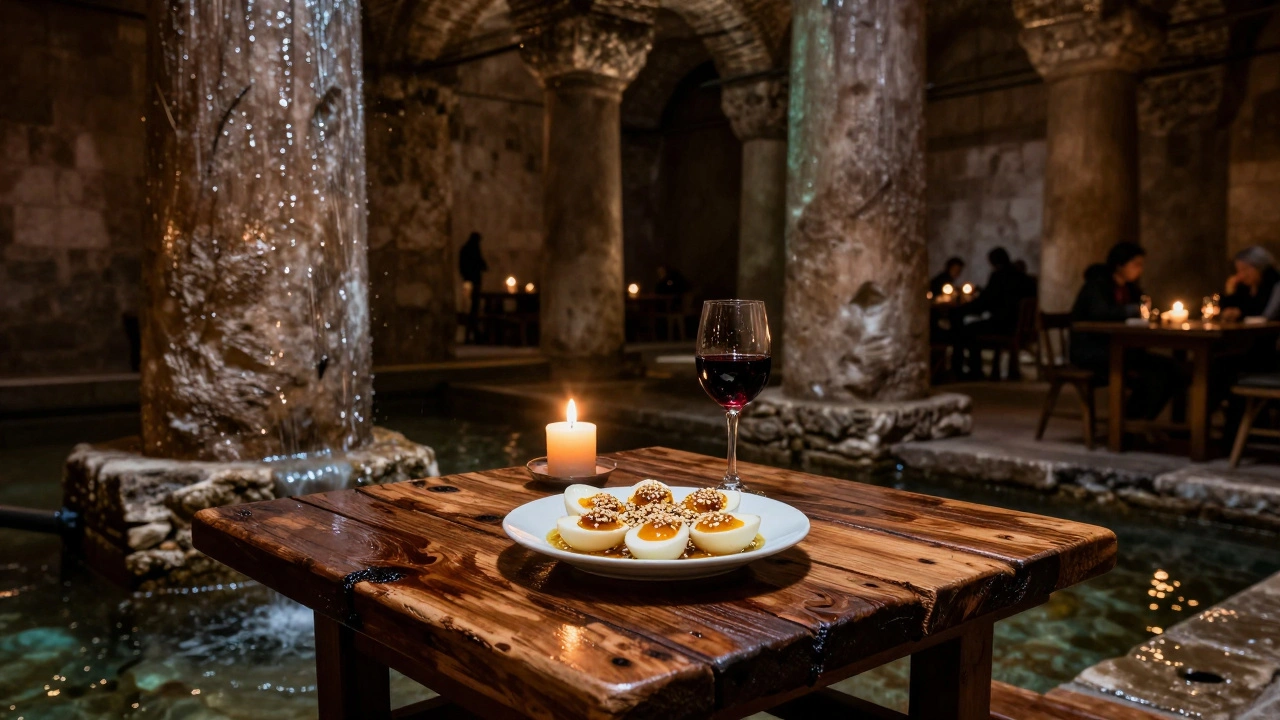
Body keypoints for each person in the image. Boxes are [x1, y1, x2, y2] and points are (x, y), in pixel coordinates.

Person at [1070, 241, 1179, 420]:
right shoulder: (1097, 285)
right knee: (1155, 376)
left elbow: (1142, 309)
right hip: (1093, 350)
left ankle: (1135, 421)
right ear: (1119, 264)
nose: (1140, 270)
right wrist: (1131, 310)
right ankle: (1127, 426)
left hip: (1121, 348)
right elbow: (1100, 313)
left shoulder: (1129, 288)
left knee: (1174, 370)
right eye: (1136, 264)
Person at [952, 247, 1032, 379]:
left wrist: (963, 309)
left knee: (967, 330)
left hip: (1003, 325)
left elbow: (985, 302)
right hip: (1016, 325)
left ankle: (973, 371)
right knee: (971, 328)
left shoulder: (999, 276)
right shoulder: (1024, 278)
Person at [1221, 246, 1280, 323]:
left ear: (1260, 267)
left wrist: (1241, 314)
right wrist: (1230, 292)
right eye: (1238, 271)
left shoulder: (1275, 285)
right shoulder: (1244, 287)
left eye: (1245, 269)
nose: (1241, 275)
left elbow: (1267, 316)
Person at [459, 232, 487, 343]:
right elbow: (482, 264)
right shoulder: (473, 250)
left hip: (468, 281)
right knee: (472, 308)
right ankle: (471, 334)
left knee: (470, 309)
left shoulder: (465, 249)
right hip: (473, 282)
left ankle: (470, 334)